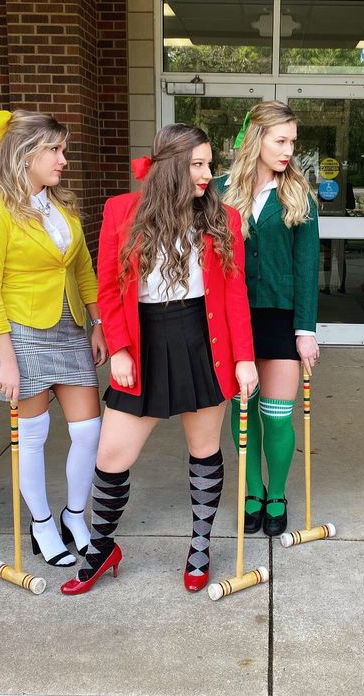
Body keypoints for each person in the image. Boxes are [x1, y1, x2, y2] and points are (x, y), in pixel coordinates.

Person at [61, 124, 257, 595]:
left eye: (210, 163)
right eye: (197, 164)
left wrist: (244, 359)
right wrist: (121, 347)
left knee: (204, 450)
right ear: (170, 166)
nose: (208, 174)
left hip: (203, 339)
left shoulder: (222, 218)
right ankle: (103, 546)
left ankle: (200, 546)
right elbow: (108, 286)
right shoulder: (121, 211)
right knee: (111, 456)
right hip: (142, 340)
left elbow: (234, 295)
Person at [0, 109, 107, 568]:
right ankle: (43, 523)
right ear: (24, 154)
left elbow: (84, 269)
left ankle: (74, 516)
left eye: (62, 149)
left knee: (89, 430)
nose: (62, 159)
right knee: (33, 435)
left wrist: (98, 323)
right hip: (22, 333)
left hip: (70, 328)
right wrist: (5, 359)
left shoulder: (62, 209)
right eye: (54, 149)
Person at [215, 101, 320, 537]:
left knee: (277, 414)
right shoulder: (218, 190)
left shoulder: (300, 195)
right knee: (245, 412)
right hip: (232, 320)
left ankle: (277, 493)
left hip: (280, 320)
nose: (288, 150)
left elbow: (307, 268)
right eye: (281, 140)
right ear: (256, 139)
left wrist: (306, 330)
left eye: (292, 142)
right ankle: (252, 491)